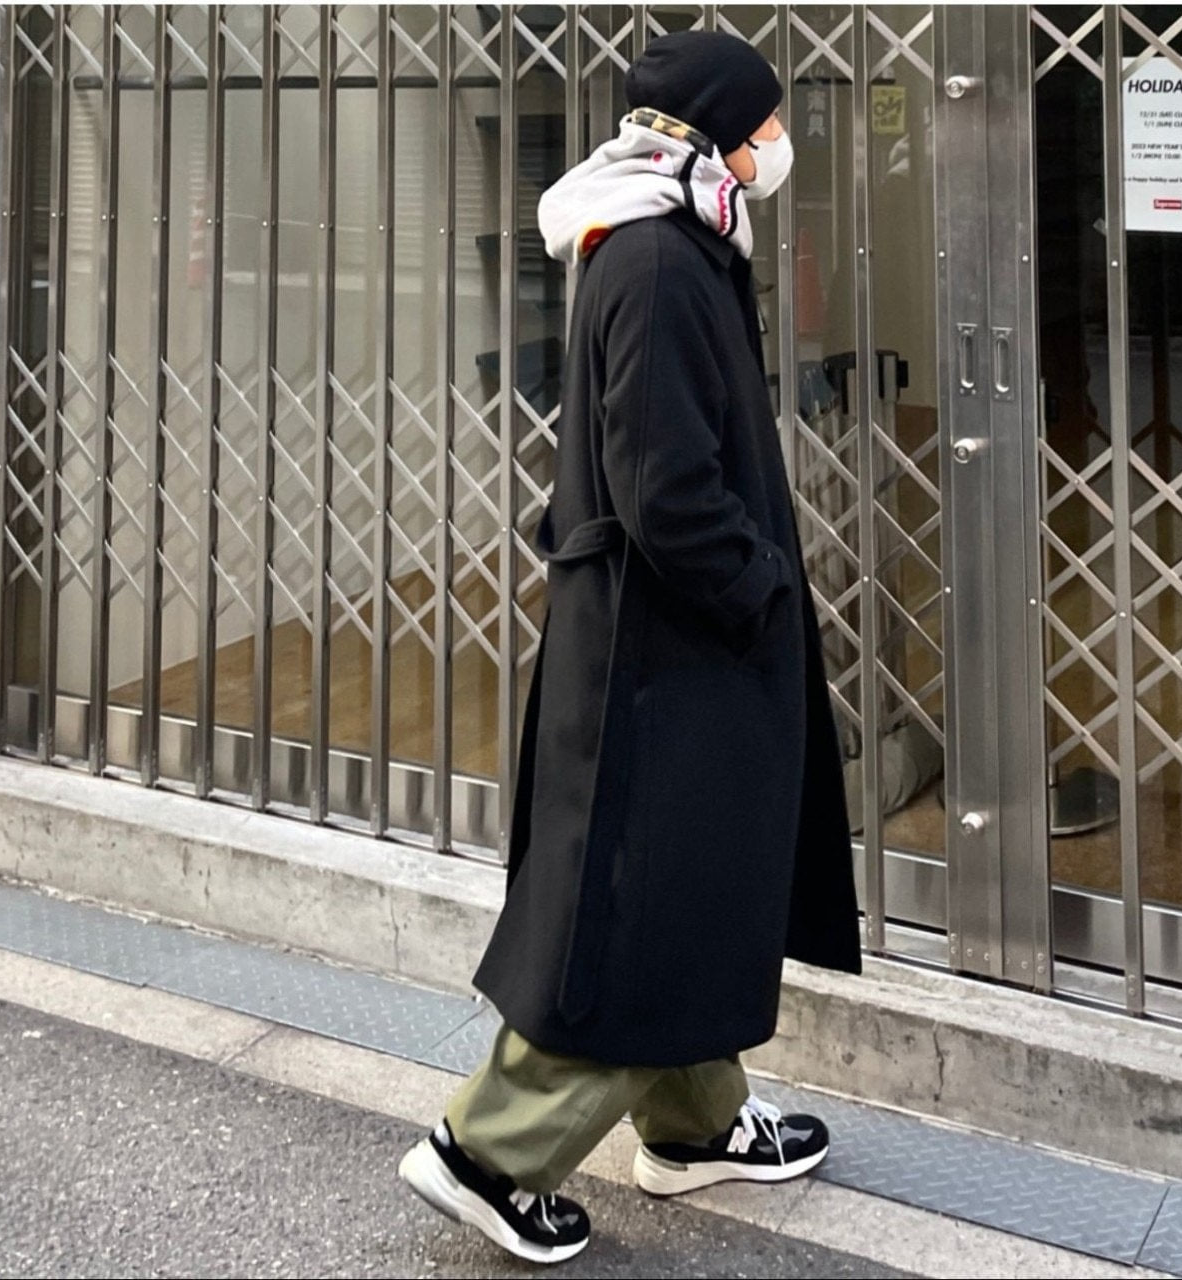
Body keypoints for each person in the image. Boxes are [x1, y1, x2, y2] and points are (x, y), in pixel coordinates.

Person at [399, 30, 861, 1265]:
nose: (779, 143)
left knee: (688, 880)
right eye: (766, 124)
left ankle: (694, 1119)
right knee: (635, 895)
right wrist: (758, 589)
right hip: (666, 646)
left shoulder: (675, 237)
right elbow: (665, 486)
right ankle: (487, 1149)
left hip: (671, 636)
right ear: (717, 136)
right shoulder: (657, 257)